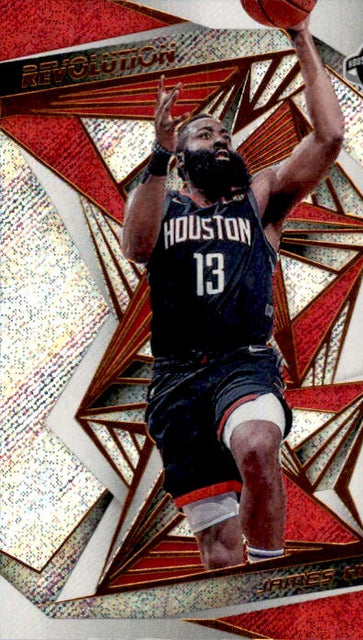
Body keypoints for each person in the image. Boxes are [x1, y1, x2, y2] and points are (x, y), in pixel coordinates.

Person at [121, 17, 344, 570]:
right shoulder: (162, 200)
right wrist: (157, 155)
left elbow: (329, 138)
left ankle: (269, 580)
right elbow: (137, 247)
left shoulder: (259, 197)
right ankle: (245, 597)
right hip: (176, 380)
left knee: (258, 446)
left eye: (225, 136)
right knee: (220, 555)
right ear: (179, 157)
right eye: (205, 135)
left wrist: (301, 37)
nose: (220, 140)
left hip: (242, 363)